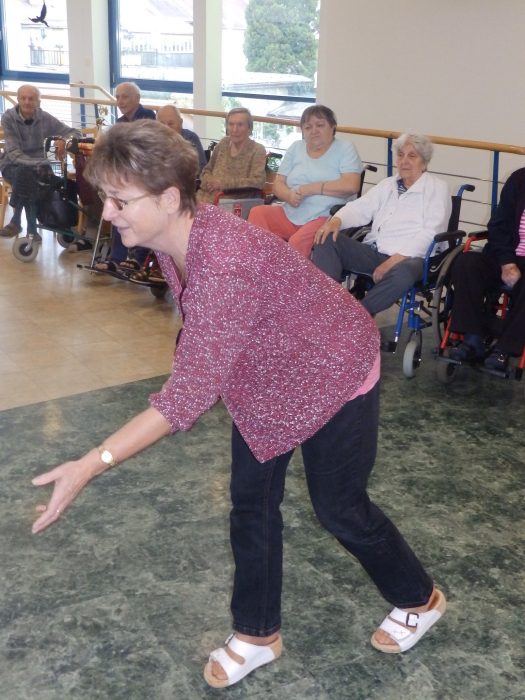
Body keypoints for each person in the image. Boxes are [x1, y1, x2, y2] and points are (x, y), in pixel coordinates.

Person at [31, 120, 446, 690]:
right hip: (268, 377)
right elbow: (208, 337)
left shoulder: (223, 259)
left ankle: (420, 598)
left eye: (120, 201)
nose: (108, 213)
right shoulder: (178, 240)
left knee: (340, 509)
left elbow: (184, 399)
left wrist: (86, 466)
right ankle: (257, 634)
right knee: (251, 503)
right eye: (107, 197)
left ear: (169, 198)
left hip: (334, 368)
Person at [311, 132, 451, 316]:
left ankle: (357, 317)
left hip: (412, 260)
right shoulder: (388, 184)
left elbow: (431, 233)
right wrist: (337, 220)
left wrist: (392, 262)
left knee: (403, 274)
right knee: (326, 238)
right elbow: (360, 207)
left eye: (412, 156)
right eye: (400, 155)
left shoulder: (437, 188)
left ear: (424, 163)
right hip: (375, 252)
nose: (404, 161)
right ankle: (327, 309)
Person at [248, 104, 363, 257]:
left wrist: (310, 189)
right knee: (258, 213)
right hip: (291, 211)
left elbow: (351, 185)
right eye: (308, 127)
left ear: (333, 127)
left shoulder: (345, 148)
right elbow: (278, 184)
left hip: (325, 215)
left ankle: (289, 271)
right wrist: (288, 195)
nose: (314, 131)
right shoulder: (296, 147)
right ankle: (260, 263)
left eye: (320, 125)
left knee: (297, 242)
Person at [447, 167, 525, 371]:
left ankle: (504, 349)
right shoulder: (519, 179)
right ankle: (472, 339)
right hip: (505, 256)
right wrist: (508, 262)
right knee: (467, 263)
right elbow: (498, 225)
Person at [0, 84, 80, 241]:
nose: (27, 102)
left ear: (38, 102)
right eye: (23, 98)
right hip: (12, 165)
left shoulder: (44, 117)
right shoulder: (8, 118)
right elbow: (15, 154)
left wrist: (65, 140)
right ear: (18, 100)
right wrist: (41, 162)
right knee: (25, 172)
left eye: (31, 99)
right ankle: (31, 229)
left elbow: (75, 132)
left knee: (28, 176)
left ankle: (17, 222)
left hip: (39, 168)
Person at [95, 82, 156, 269]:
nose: (120, 101)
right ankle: (116, 259)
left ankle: (137, 258)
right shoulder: (120, 123)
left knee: (139, 210)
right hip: (126, 178)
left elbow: (143, 150)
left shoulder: (148, 118)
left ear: (137, 98)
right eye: (118, 97)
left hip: (145, 177)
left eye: (125, 97)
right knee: (116, 206)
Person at [196, 107, 266, 204]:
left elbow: (258, 181)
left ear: (250, 128)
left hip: (230, 204)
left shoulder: (257, 150)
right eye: (231, 124)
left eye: (240, 125)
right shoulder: (223, 143)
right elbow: (206, 170)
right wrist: (209, 181)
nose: (234, 129)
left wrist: (223, 184)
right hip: (202, 198)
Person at [156, 104, 207, 172]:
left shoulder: (190, 138)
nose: (166, 127)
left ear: (180, 122)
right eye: (162, 124)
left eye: (171, 124)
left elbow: (201, 167)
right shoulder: (152, 140)